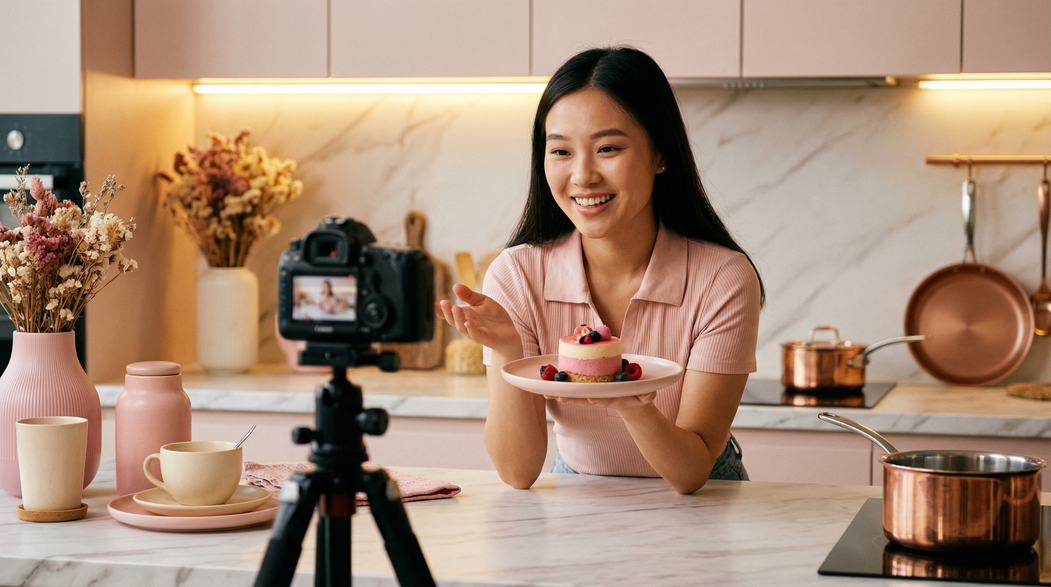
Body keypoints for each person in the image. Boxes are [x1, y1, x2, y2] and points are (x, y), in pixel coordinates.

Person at [435, 46, 763, 494]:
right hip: (580, 490)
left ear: (661, 154)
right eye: (561, 151)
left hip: (705, 496)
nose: (583, 176)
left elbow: (691, 472)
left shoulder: (722, 278)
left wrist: (630, 401)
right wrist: (510, 351)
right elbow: (518, 471)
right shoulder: (517, 275)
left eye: (608, 148)